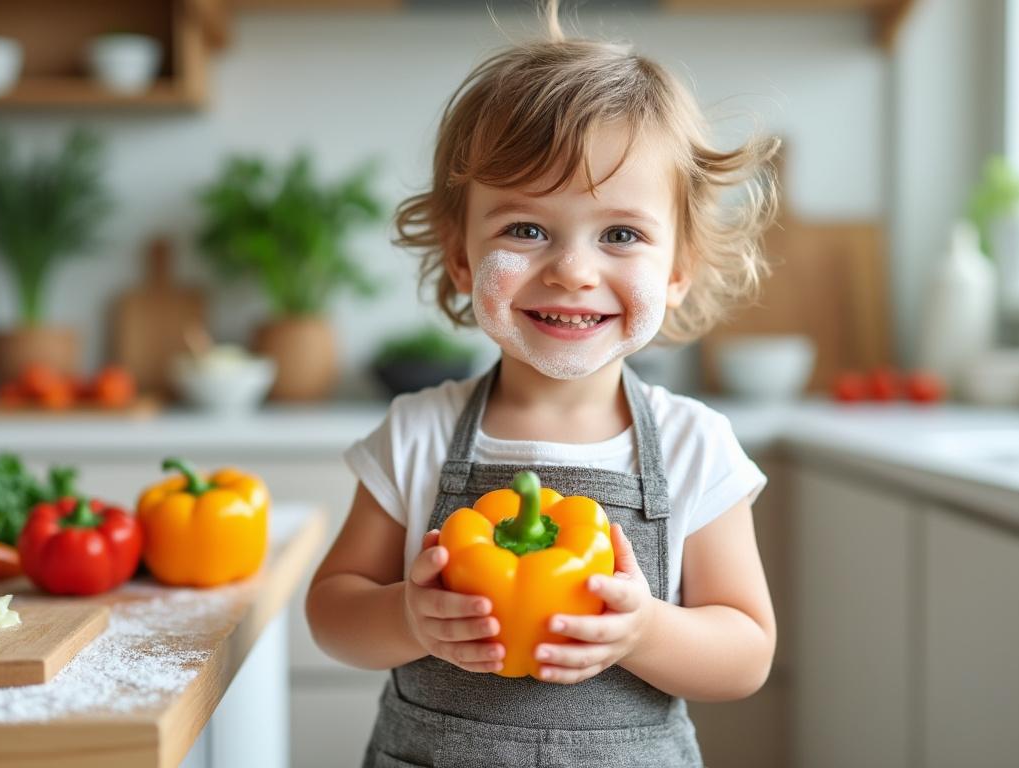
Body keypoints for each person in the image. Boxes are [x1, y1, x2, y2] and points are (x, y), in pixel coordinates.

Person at [306, 3, 779, 765]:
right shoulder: (417, 432)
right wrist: (408, 618)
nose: (573, 270)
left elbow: (747, 651)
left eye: (620, 234)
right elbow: (331, 613)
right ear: (461, 256)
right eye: (525, 230)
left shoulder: (696, 445)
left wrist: (647, 631)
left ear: (679, 267)